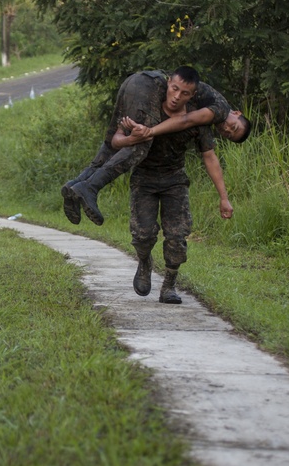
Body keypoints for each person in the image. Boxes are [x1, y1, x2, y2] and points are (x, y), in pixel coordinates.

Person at [61, 67, 250, 226]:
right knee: (140, 142)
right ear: (236, 112)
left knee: (113, 144)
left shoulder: (209, 104)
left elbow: (207, 151)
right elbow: (185, 120)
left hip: (135, 82)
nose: (226, 129)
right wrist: (150, 131)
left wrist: (224, 197)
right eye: (233, 127)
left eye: (228, 135)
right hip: (148, 87)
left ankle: (75, 185)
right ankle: (91, 188)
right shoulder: (220, 109)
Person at [110, 105, 248, 304]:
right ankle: (144, 261)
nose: (178, 97)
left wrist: (224, 198)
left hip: (174, 180)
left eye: (185, 93)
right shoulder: (151, 105)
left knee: (177, 235)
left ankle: (169, 285)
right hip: (144, 178)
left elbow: (209, 156)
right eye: (175, 90)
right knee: (142, 234)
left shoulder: (198, 120)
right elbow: (118, 137)